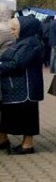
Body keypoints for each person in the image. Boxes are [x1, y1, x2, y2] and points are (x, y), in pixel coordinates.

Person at [0, 17, 44, 154]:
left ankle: (27, 145)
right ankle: (10, 141)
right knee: (12, 115)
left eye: (14, 29)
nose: (12, 32)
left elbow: (17, 64)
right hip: (17, 86)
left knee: (27, 116)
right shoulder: (22, 42)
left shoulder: (29, 43)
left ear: (24, 29)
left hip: (25, 88)